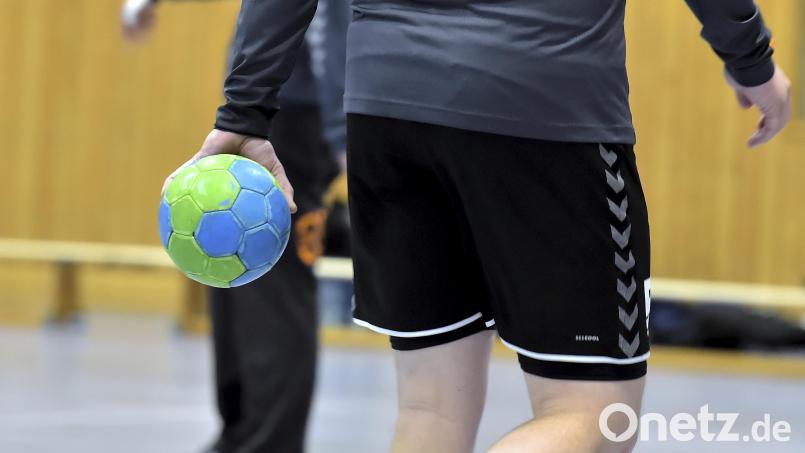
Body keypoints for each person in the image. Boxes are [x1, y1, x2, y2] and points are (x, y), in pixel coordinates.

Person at [178, 0, 793, 451]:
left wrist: (246, 108)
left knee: (430, 412)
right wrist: (752, 59)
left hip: (386, 113)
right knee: (596, 416)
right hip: (544, 110)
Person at [122, 1, 345, 451]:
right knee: (228, 264)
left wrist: (340, 126)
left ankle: (269, 442)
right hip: (262, 102)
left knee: (277, 279)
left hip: (298, 106)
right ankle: (240, 433)